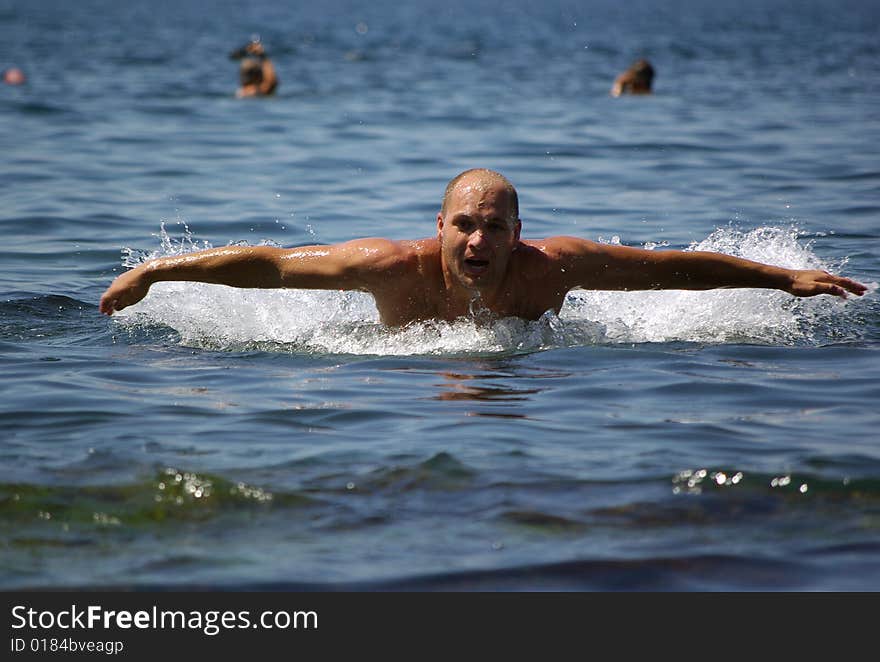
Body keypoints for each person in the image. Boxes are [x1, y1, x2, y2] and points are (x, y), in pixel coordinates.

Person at [100, 169, 867, 327]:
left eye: (494, 227)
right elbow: (268, 266)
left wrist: (782, 278)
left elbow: (674, 270)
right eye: (464, 224)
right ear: (438, 228)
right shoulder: (386, 267)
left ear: (516, 235)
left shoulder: (553, 269)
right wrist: (156, 271)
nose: (477, 238)